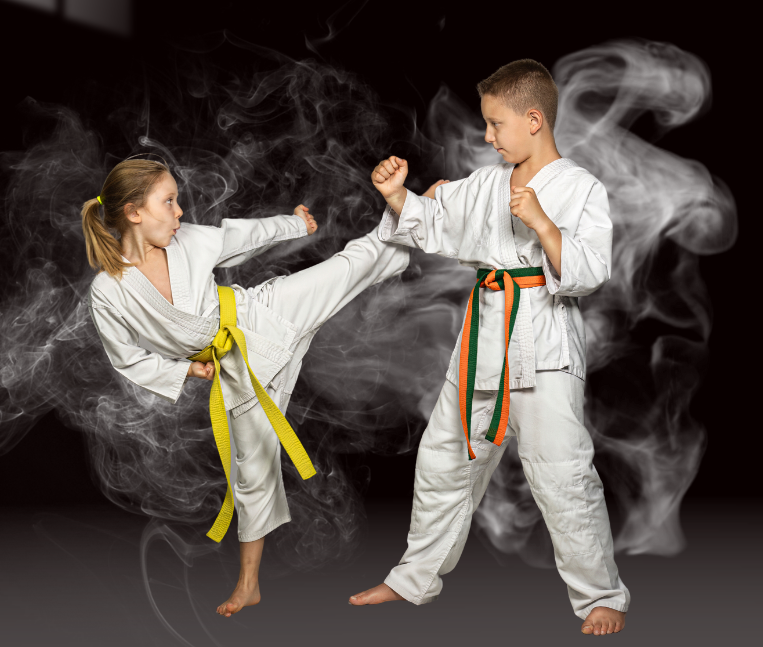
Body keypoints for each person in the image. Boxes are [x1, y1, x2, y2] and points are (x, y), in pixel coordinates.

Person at [348, 59, 629, 637]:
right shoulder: (484, 183)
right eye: (484, 124)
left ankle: (600, 595)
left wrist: (545, 226)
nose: (486, 136)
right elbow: (432, 225)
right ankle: (413, 578)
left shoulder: (580, 188)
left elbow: (591, 270)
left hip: (545, 339)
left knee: (562, 473)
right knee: (443, 458)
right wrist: (399, 195)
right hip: (482, 335)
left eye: (496, 124)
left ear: (533, 120)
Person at [82, 158, 409, 617]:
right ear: (134, 212)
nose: (180, 212)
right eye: (169, 202)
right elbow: (127, 357)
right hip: (234, 370)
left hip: (260, 314)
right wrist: (185, 372)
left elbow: (242, 236)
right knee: (251, 472)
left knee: (343, 270)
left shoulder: (189, 240)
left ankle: (407, 218)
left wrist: (293, 223)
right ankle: (249, 583)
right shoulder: (109, 291)